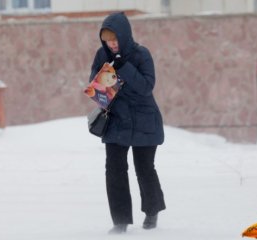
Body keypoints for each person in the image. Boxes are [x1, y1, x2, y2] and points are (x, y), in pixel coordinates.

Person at [89, 12, 166, 234]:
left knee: (144, 169)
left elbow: (146, 87)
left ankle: (152, 212)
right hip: (116, 121)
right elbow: (97, 91)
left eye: (115, 39)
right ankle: (120, 220)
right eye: (107, 40)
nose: (111, 44)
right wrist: (107, 74)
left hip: (144, 120)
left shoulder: (142, 54)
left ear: (124, 36)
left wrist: (123, 68)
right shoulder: (101, 55)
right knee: (114, 170)